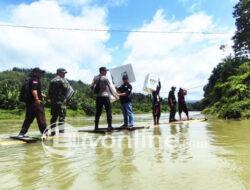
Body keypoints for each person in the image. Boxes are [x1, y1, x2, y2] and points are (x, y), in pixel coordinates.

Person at [18, 68, 47, 137]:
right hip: (36, 103)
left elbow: (31, 90)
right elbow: (34, 90)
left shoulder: (28, 80)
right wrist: (37, 99)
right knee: (41, 119)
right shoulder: (35, 80)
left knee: (28, 119)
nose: (41, 74)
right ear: (35, 73)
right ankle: (45, 134)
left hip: (29, 103)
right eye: (40, 73)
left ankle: (21, 133)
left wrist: (42, 95)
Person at [91, 67, 118, 131]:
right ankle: (109, 126)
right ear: (102, 71)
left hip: (98, 97)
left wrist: (95, 91)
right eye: (105, 71)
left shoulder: (95, 77)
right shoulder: (105, 78)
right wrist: (115, 96)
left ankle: (96, 127)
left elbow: (91, 86)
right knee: (108, 111)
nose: (106, 72)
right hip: (105, 96)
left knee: (98, 111)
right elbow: (110, 87)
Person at [49, 68, 71, 135]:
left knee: (54, 117)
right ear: (59, 73)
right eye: (63, 72)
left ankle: (53, 133)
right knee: (61, 117)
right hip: (61, 102)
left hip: (54, 102)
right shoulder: (62, 81)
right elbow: (66, 90)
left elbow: (49, 92)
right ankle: (61, 133)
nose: (64, 74)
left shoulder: (52, 80)